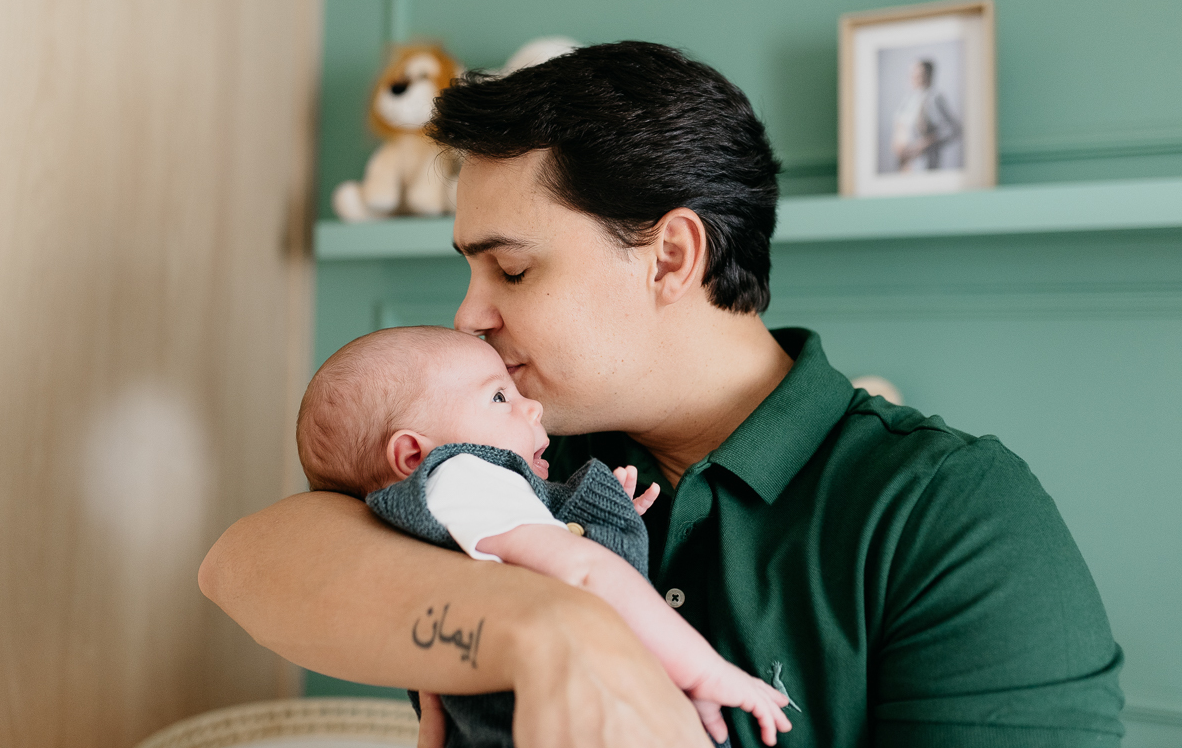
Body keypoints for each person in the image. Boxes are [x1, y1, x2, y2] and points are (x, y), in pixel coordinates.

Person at [200, 41, 1124, 747]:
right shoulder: (520, 453)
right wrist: (547, 625)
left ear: (671, 256)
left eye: (512, 271)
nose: (469, 316)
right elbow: (243, 564)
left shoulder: (951, 513)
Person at [294, 325, 791, 747]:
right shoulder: (459, 476)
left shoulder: (459, 506)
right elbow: (586, 574)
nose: (530, 407)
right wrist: (702, 670)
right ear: (412, 457)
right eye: (497, 397)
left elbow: (542, 565)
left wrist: (597, 520)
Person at [891, 59, 962, 172]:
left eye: (918, 75)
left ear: (928, 76)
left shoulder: (935, 97)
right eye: (912, 74)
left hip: (923, 164)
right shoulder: (908, 98)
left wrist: (924, 143)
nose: (913, 78)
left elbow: (954, 128)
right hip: (905, 164)